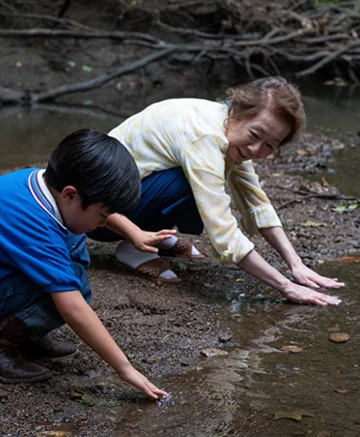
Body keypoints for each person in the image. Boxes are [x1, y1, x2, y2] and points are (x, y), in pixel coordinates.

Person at [88, 77, 343, 306]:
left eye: (270, 145)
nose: (256, 149)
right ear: (236, 111)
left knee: (203, 178)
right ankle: (135, 246)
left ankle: (156, 233)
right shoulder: (205, 137)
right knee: (193, 184)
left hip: (124, 197)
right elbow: (223, 232)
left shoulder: (227, 129)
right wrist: (286, 287)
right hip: (97, 216)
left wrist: (296, 264)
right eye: (255, 134)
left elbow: (256, 202)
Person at [0, 129, 167, 400]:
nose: (103, 223)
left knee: (73, 240)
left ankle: (25, 331)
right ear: (69, 195)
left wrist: (134, 232)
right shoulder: (35, 226)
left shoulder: (40, 181)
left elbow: (92, 204)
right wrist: (125, 369)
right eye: (102, 217)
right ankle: (5, 341)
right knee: (73, 284)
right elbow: (73, 307)